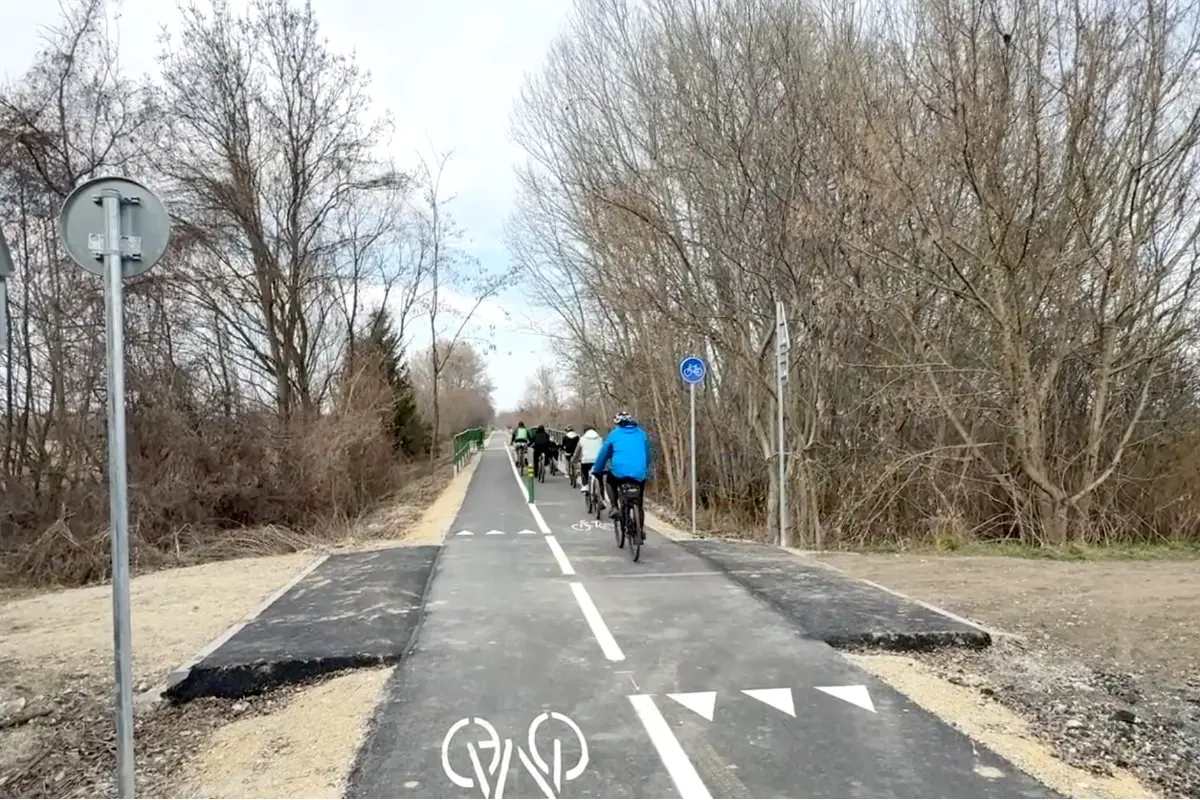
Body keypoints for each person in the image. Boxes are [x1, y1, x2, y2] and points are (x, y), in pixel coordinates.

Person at [591, 411, 651, 521]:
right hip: (639, 473)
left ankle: (614, 507)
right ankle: (640, 530)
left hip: (619, 472)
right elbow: (647, 455)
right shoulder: (642, 434)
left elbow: (604, 454)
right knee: (639, 501)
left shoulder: (614, 434)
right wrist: (645, 469)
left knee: (609, 481)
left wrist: (597, 469)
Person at [574, 423, 605, 501]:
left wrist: (574, 459)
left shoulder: (582, 438)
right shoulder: (600, 439)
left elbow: (577, 452)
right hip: (598, 461)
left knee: (584, 470)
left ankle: (585, 485)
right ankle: (602, 497)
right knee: (599, 478)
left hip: (586, 461)